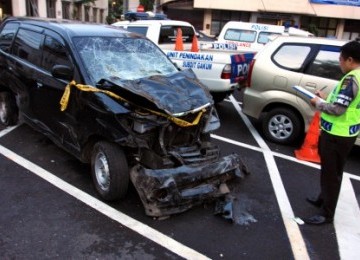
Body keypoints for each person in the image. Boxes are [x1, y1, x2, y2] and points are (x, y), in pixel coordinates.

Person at [304, 40, 360, 225]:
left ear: (350, 60)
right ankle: (323, 198)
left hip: (337, 134)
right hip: (346, 133)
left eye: (341, 59)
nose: (339, 63)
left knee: (331, 173)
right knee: (332, 171)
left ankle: (326, 213)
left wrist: (317, 103)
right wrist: (325, 99)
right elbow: (344, 103)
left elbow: (338, 109)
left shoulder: (352, 79)